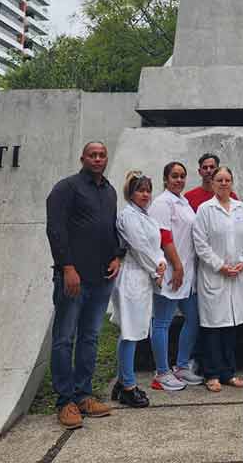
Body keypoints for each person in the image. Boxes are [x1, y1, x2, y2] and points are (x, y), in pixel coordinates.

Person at [45, 141, 123, 429]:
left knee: (89, 338)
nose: (98, 158)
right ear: (83, 158)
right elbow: (55, 229)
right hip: (73, 278)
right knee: (65, 338)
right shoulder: (67, 188)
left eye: (102, 154)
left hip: (101, 278)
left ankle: (83, 395)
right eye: (93, 155)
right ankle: (65, 401)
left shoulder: (110, 190)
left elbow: (110, 227)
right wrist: (67, 267)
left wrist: (116, 255)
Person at [192, 166, 243, 392]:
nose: (224, 183)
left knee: (231, 327)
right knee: (213, 328)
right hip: (214, 277)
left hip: (236, 277)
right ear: (213, 183)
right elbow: (200, 244)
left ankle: (228, 372)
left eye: (227, 179)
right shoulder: (205, 210)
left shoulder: (241, 208)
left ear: (232, 182)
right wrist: (220, 266)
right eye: (219, 180)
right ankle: (212, 374)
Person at [110, 171, 166, 408]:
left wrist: (161, 263)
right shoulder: (128, 217)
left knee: (133, 330)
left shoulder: (146, 216)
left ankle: (123, 381)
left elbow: (156, 244)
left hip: (143, 277)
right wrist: (157, 267)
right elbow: (140, 247)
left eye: (147, 190)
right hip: (132, 277)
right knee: (130, 333)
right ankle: (128, 387)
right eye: (140, 190)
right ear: (130, 193)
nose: (145, 194)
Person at [148, 161, 203, 390]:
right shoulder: (162, 203)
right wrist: (177, 266)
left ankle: (181, 366)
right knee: (162, 322)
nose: (179, 180)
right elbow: (164, 236)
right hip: (171, 272)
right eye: (174, 176)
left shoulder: (183, 202)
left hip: (187, 275)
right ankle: (161, 372)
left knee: (194, 318)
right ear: (165, 178)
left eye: (182, 176)